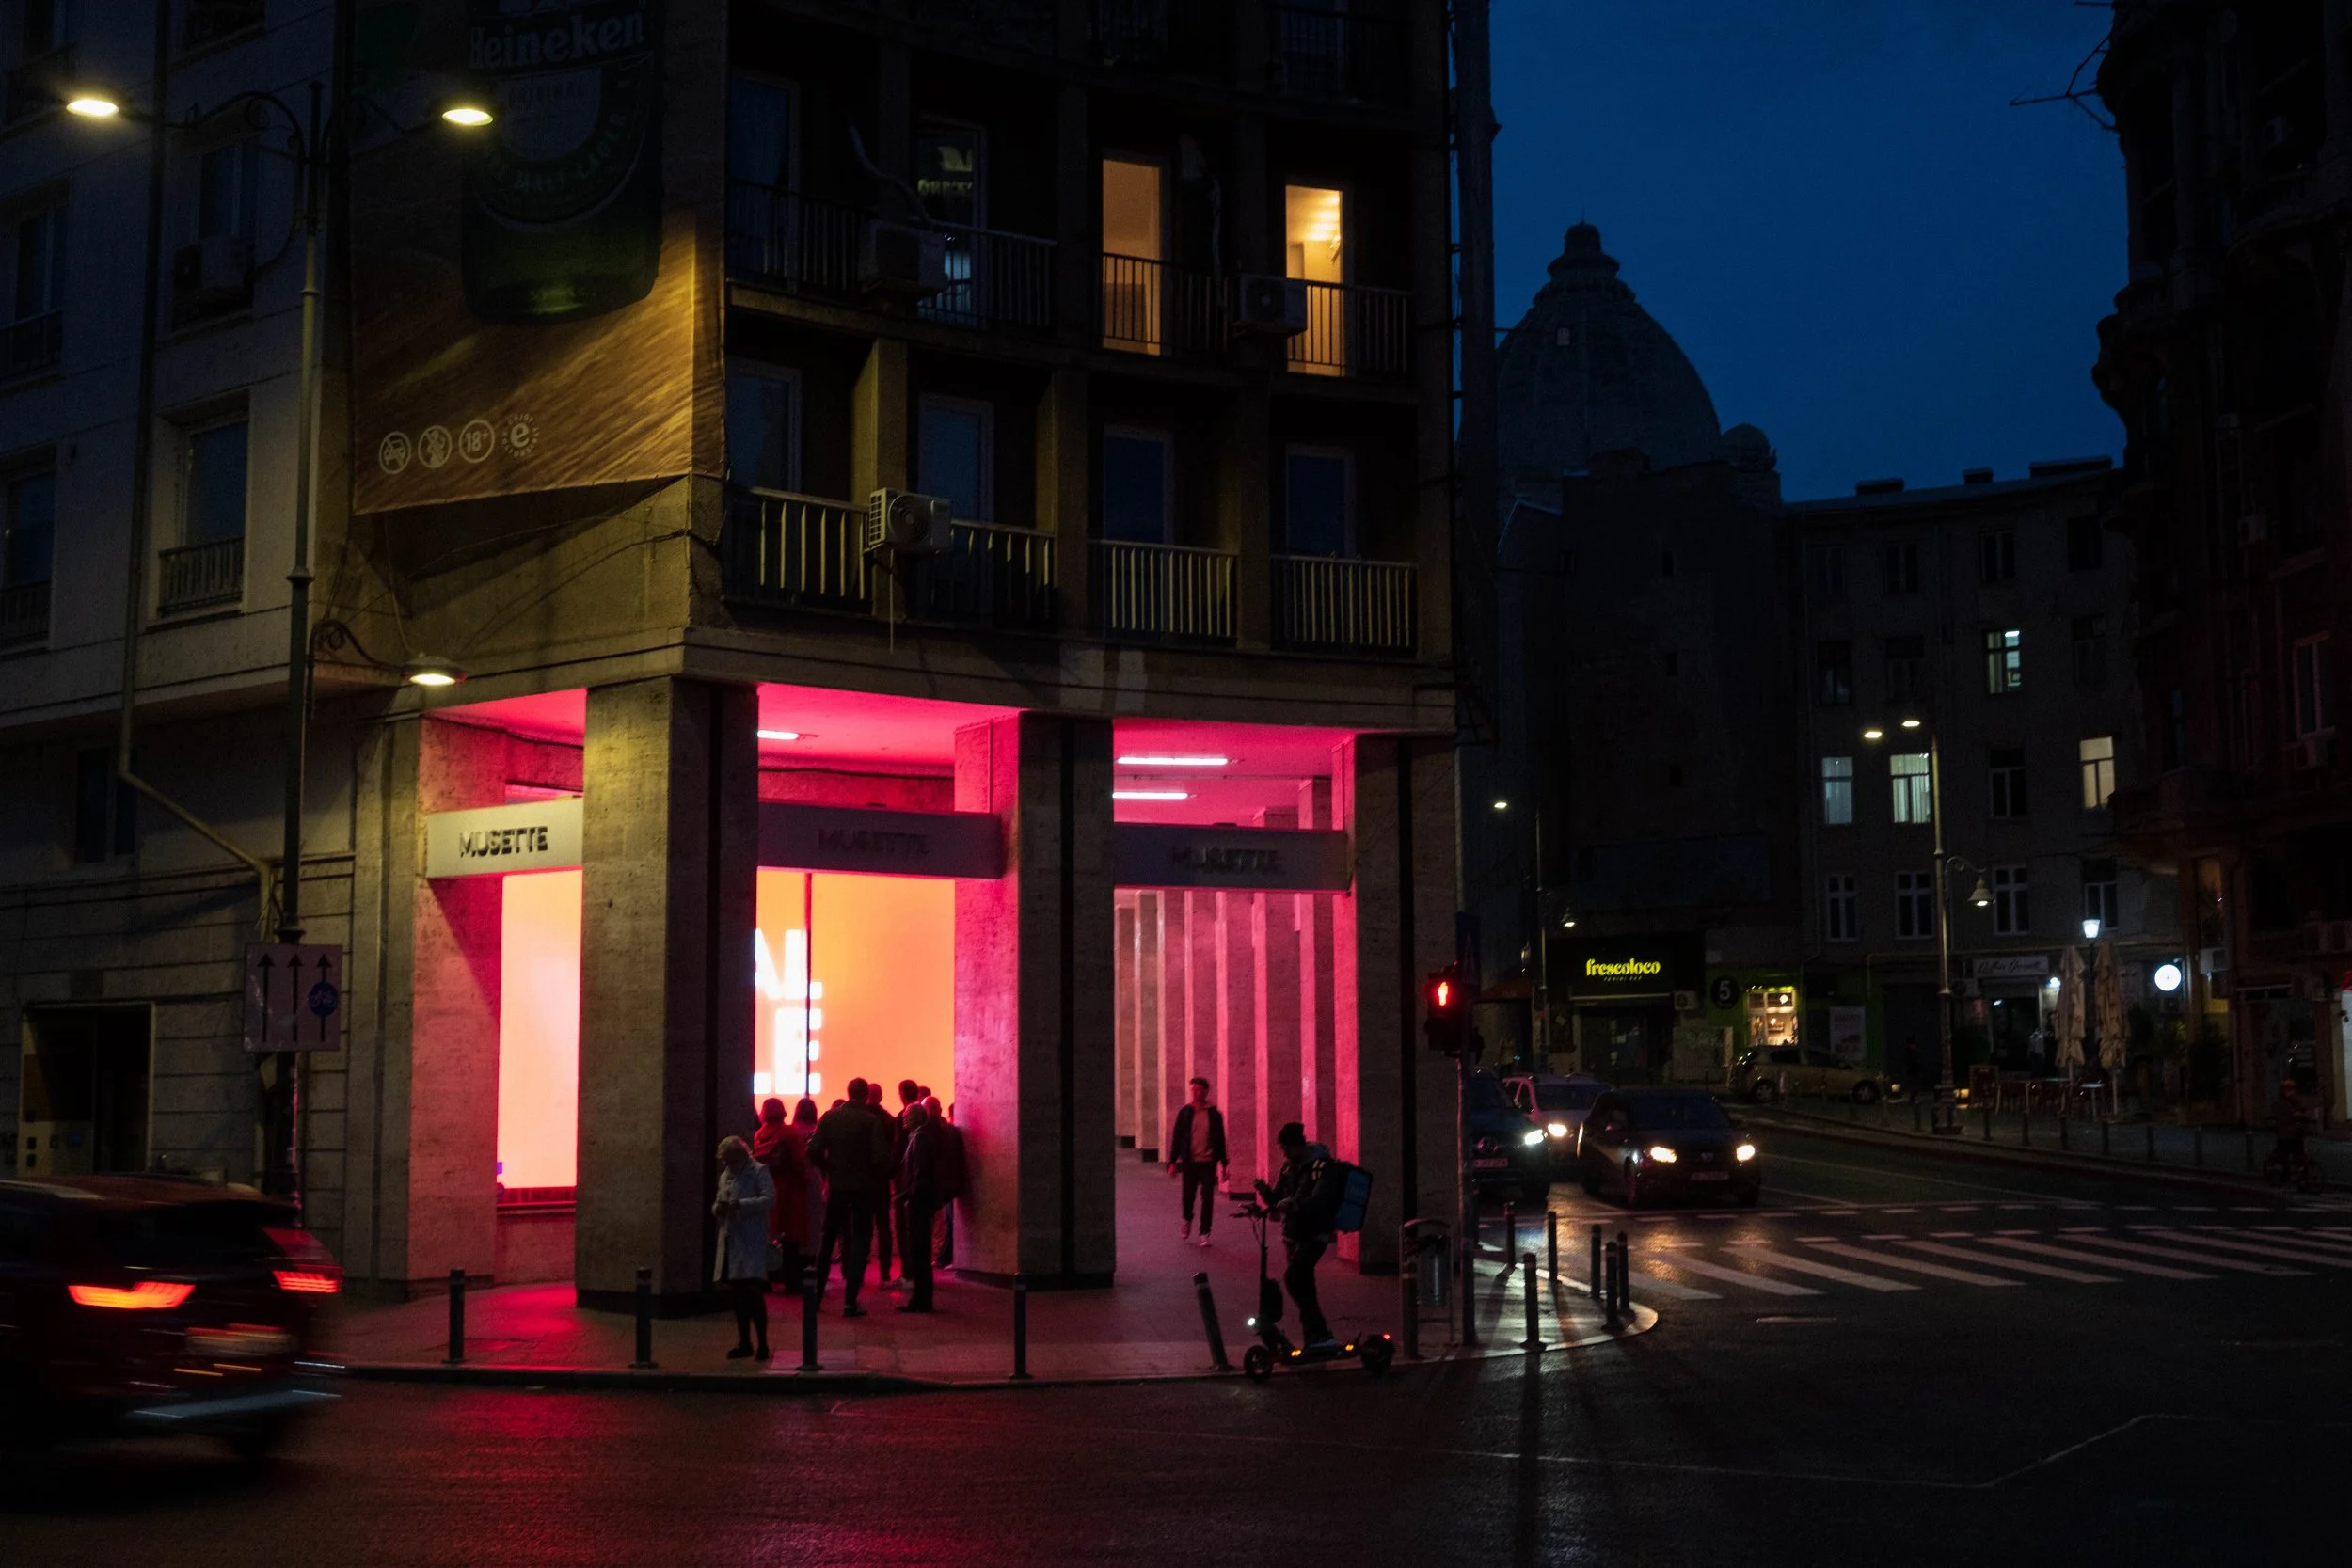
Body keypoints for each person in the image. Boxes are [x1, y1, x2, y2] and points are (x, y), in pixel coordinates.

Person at [808, 1078, 894, 1317]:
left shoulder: (830, 1117)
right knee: (860, 1240)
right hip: (863, 1189)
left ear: (848, 1093)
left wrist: (830, 1167)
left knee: (827, 1240)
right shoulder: (871, 1121)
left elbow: (812, 1151)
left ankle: (815, 1297)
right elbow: (880, 1158)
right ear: (865, 1095)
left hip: (837, 1187)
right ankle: (850, 1301)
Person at [1257, 1121, 1343, 1350]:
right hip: (1293, 1234)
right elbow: (1276, 1198)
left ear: (1298, 1145)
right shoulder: (1289, 1167)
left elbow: (1320, 1199)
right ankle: (1315, 1338)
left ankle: (1321, 1333)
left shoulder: (1322, 1166)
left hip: (1314, 1233)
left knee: (1294, 1279)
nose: (1284, 1153)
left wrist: (1294, 1203)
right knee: (1305, 1287)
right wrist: (1265, 1192)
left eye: (1287, 1148)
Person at [712, 1136, 774, 1360]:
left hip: (751, 1238)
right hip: (732, 1237)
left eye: (731, 1160)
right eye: (725, 1161)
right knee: (738, 1294)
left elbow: (769, 1199)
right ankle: (744, 1341)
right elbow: (718, 1200)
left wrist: (740, 1205)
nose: (728, 1165)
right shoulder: (726, 1175)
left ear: (741, 1156)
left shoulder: (758, 1171)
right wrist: (718, 1209)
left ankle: (763, 1343)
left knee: (753, 1291)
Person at [752, 1097, 810, 1292]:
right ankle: (791, 1281)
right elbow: (799, 1162)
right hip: (789, 1191)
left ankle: (765, 1279)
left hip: (766, 1189)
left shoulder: (758, 1135)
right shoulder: (790, 1133)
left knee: (767, 1235)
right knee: (790, 1238)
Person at [1166, 1077, 1228, 1246]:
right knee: (1188, 1196)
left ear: (1206, 1091)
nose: (1195, 1093)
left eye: (1199, 1090)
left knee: (1208, 1198)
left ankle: (1204, 1232)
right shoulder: (1185, 1112)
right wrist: (1172, 1162)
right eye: (1193, 1090)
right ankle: (1187, 1219)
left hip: (1208, 1162)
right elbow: (1177, 1137)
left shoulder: (1214, 1115)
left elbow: (1220, 1139)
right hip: (1190, 1161)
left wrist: (1224, 1164)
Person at [895, 1102, 939, 1312]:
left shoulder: (919, 1139)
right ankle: (922, 1297)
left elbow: (920, 1172)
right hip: (919, 1201)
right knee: (920, 1250)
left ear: (917, 1118)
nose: (904, 1118)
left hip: (918, 1203)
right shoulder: (921, 1137)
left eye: (907, 1115)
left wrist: (909, 1196)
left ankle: (921, 1299)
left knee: (919, 1250)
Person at [924, 1094, 966, 1269]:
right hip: (952, 1183)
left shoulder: (928, 1131)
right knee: (949, 1221)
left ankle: (944, 1258)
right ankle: (944, 1257)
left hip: (940, 1184)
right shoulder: (950, 1130)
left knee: (946, 1222)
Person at [2273, 1081, 2312, 1173]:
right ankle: (2280, 1172)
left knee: (2299, 1153)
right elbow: (2290, 1114)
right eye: (2287, 1089)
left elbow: (2301, 1108)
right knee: (2284, 1155)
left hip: (2295, 1132)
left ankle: (2299, 1171)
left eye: (2291, 1089)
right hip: (2285, 1133)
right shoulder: (2282, 1102)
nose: (2290, 1092)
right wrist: (2301, 1115)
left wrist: (2305, 1113)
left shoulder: (2294, 1100)